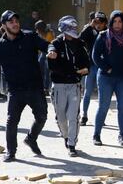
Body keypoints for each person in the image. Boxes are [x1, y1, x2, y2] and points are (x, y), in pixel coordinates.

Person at [0, 10, 57, 162]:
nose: (15, 24)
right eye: (11, 22)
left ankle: (31, 138)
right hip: (15, 90)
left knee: (42, 117)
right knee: (11, 121)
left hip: (35, 87)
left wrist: (51, 50)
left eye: (16, 21)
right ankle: (11, 152)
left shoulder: (29, 37)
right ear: (4, 26)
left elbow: (47, 45)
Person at [48, 16, 90, 157]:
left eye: (74, 29)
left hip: (74, 86)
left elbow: (86, 63)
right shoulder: (56, 44)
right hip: (59, 86)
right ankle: (66, 136)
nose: (72, 32)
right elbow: (53, 66)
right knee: (61, 117)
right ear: (63, 30)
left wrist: (85, 70)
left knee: (73, 116)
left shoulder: (80, 44)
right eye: (69, 29)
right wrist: (73, 71)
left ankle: (72, 144)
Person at [92, 10, 123, 146]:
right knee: (103, 106)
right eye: (115, 21)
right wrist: (106, 68)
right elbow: (95, 56)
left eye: (120, 21)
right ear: (111, 22)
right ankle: (96, 134)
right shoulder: (103, 36)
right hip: (105, 77)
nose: (117, 24)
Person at [79, 11, 107, 126]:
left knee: (102, 93)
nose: (98, 24)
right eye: (96, 22)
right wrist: (90, 26)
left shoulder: (107, 33)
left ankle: (101, 118)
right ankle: (84, 115)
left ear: (105, 23)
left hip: (102, 66)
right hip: (91, 66)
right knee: (88, 92)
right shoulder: (90, 31)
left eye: (101, 22)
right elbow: (80, 39)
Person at [35, 20, 53, 95]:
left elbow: (47, 45)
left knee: (47, 71)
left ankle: (46, 88)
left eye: (37, 29)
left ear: (40, 29)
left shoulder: (49, 34)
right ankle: (40, 87)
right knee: (39, 70)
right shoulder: (39, 34)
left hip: (48, 53)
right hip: (42, 54)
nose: (36, 30)